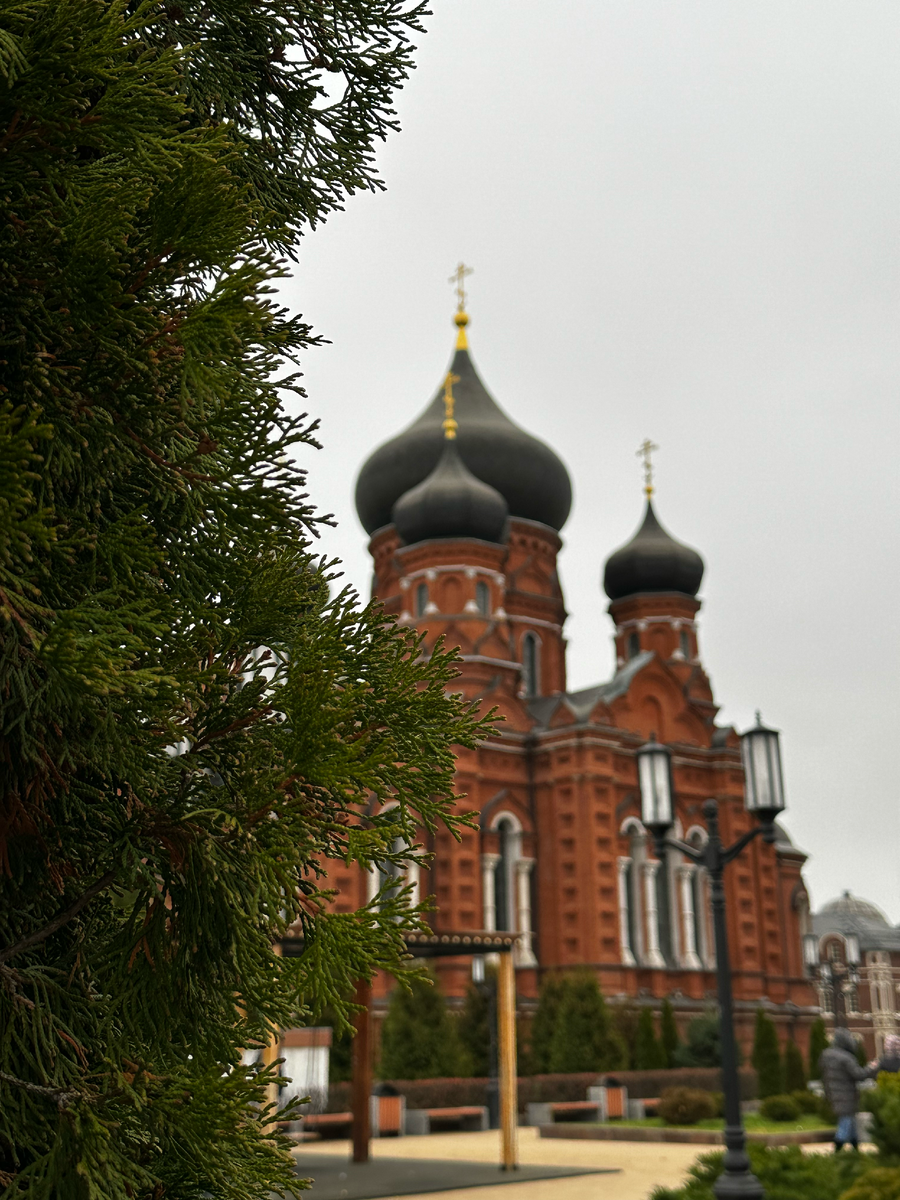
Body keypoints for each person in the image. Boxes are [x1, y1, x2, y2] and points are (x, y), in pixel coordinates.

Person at [819, 1027, 878, 1151]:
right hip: (847, 1094)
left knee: (850, 1122)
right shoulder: (846, 1058)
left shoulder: (826, 1056)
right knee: (845, 1123)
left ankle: (855, 1149)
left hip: (833, 1093)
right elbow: (859, 1075)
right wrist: (872, 1068)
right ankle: (837, 1149)